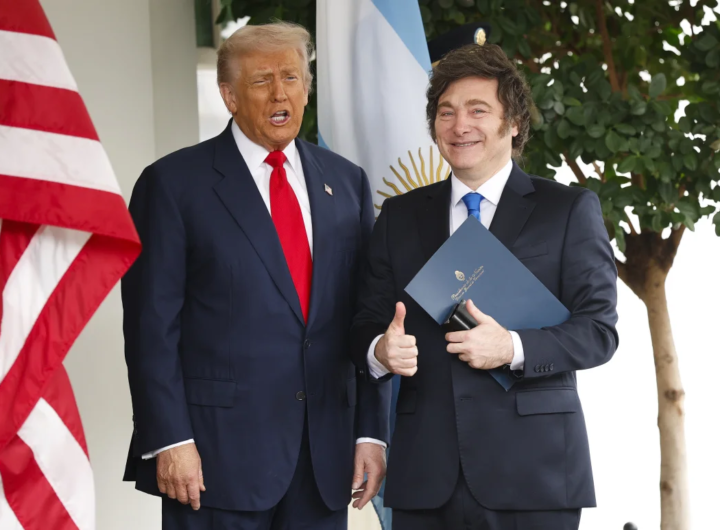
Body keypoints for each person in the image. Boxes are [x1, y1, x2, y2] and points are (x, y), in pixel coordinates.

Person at [122, 21, 390, 530]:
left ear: (306, 90)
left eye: (291, 78)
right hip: (214, 460)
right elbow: (150, 327)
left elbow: (368, 315)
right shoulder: (172, 185)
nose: (279, 93)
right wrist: (171, 439)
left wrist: (370, 433)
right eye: (262, 80)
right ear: (229, 96)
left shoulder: (347, 182)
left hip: (323, 457)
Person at [351, 43, 619, 530]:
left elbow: (599, 331)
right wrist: (379, 351)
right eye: (446, 112)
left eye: (478, 110)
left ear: (513, 122)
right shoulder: (398, 217)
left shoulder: (568, 210)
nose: (460, 125)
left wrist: (512, 347)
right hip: (425, 477)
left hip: (534, 474)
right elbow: (365, 323)